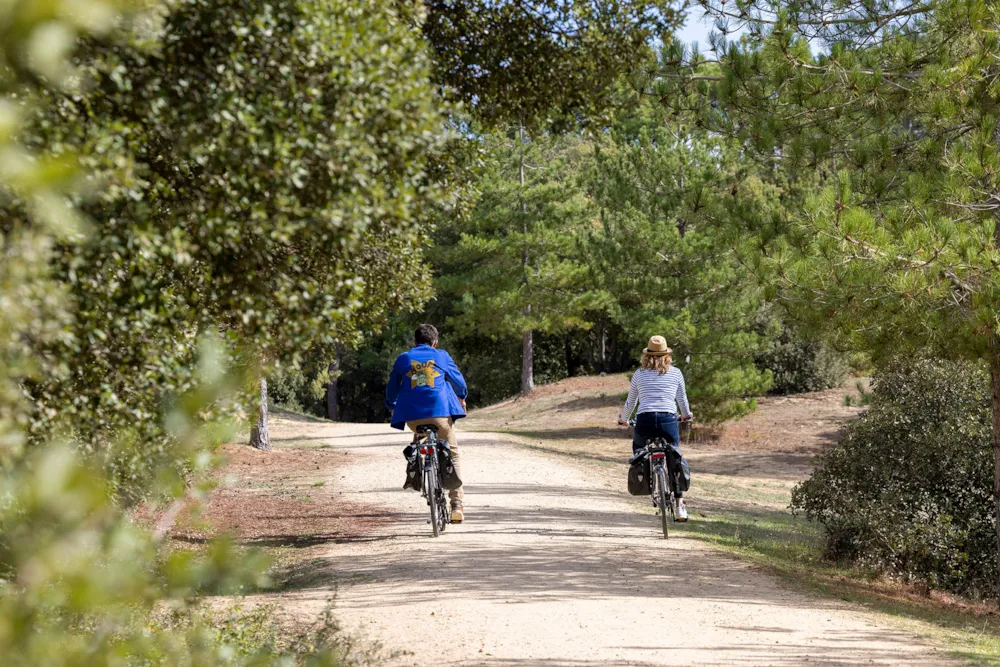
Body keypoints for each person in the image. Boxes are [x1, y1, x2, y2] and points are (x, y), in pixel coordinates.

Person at [386, 324, 468, 523]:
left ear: (414, 342)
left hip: (413, 419)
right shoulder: (441, 356)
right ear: (435, 342)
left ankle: (419, 462)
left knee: (420, 436)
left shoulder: (404, 358)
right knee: (452, 450)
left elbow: (391, 389)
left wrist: (392, 406)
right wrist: (462, 398)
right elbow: (459, 383)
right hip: (440, 417)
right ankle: (456, 504)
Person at [618, 335, 693, 521]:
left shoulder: (639, 374)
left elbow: (631, 401)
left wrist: (624, 419)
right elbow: (682, 400)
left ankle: (646, 482)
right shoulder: (675, 373)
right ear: (667, 355)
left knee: (639, 452)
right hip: (668, 419)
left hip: (645, 420)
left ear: (647, 355)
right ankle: (679, 505)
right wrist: (686, 415)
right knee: (674, 456)